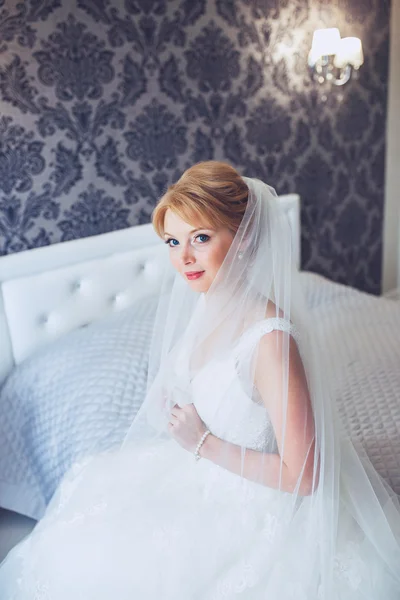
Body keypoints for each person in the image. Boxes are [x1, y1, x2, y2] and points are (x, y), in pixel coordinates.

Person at [0, 161, 399, 599]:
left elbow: (304, 477)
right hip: (200, 474)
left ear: (244, 237)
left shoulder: (270, 341)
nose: (183, 258)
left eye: (201, 238)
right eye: (173, 241)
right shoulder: (209, 301)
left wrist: (202, 442)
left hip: (257, 504)